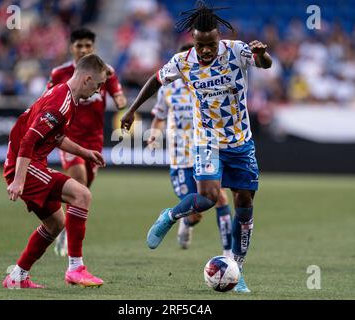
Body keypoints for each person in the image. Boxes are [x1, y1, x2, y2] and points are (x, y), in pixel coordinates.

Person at [121, 1, 272, 293]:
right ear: (193, 40)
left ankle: (236, 268)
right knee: (208, 198)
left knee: (245, 203)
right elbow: (155, 80)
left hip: (241, 142)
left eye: (211, 44)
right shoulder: (182, 61)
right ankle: (169, 216)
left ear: (218, 38)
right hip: (206, 141)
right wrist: (132, 109)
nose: (206, 50)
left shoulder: (236, 51)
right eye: (201, 44)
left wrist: (263, 55)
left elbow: (265, 65)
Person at [3, 54, 107, 289]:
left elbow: (56, 137)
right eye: (98, 85)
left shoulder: (66, 96)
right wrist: (19, 180)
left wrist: (85, 152)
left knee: (55, 224)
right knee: (82, 195)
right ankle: (75, 268)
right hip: (25, 166)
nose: (98, 91)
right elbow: (29, 140)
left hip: (28, 163)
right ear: (87, 78)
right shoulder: (62, 103)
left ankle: (17, 277)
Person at [46, 28, 127, 257]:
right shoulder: (60, 72)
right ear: (71, 47)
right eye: (79, 45)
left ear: (93, 47)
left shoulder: (106, 71)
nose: (83, 50)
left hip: (95, 140)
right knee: (79, 180)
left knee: (84, 187)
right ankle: (69, 238)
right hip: (68, 138)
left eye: (88, 46)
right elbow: (48, 98)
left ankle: (64, 227)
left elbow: (118, 95)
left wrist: (123, 103)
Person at [148, 43, 233, 255]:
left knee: (221, 197)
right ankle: (186, 223)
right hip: (180, 157)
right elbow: (159, 117)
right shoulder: (168, 89)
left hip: (205, 151)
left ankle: (229, 256)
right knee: (194, 214)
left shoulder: (210, 86)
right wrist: (154, 133)